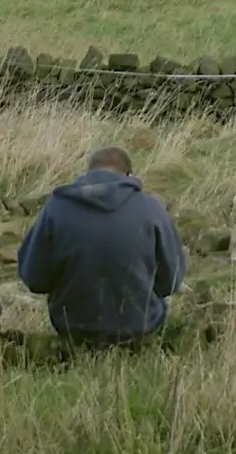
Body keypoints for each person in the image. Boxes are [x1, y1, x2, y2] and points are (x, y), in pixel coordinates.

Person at [16, 146, 185, 349]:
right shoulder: (152, 208)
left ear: (88, 174)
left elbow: (34, 279)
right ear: (129, 176)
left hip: (72, 327)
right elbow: (171, 281)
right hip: (140, 326)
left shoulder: (56, 207)